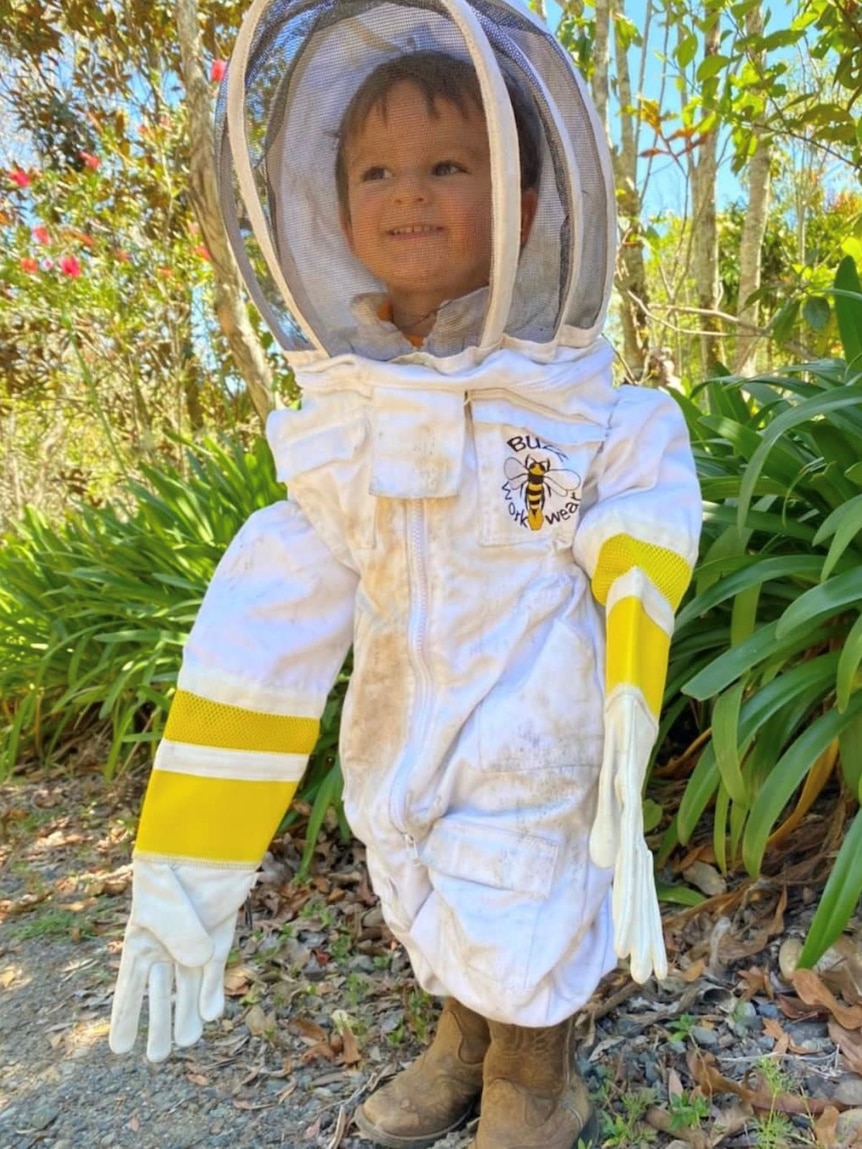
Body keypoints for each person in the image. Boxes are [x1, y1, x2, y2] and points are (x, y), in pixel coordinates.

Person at [108, 4, 702, 1148]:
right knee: (420, 870)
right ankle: (463, 1039)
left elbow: (638, 507)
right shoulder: (343, 421)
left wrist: (630, 626)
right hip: (401, 717)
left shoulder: (570, 407)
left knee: (521, 878)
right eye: (375, 169)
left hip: (536, 721)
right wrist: (190, 853)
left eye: (447, 163)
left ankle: (536, 1071)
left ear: (528, 203)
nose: (408, 191)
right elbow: (272, 614)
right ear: (326, 216)